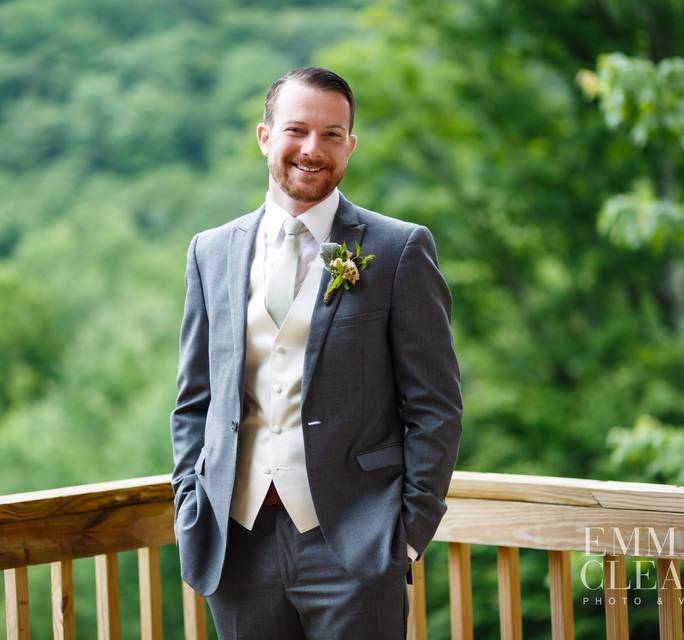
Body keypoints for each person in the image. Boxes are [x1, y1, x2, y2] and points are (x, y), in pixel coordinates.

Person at [170, 66, 462, 639]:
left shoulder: (398, 249)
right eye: (297, 130)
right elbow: (193, 402)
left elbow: (436, 407)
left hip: (355, 546)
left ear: (350, 147)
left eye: (332, 135)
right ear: (264, 137)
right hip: (237, 544)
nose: (313, 149)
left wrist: (405, 533)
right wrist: (190, 507)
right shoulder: (211, 252)